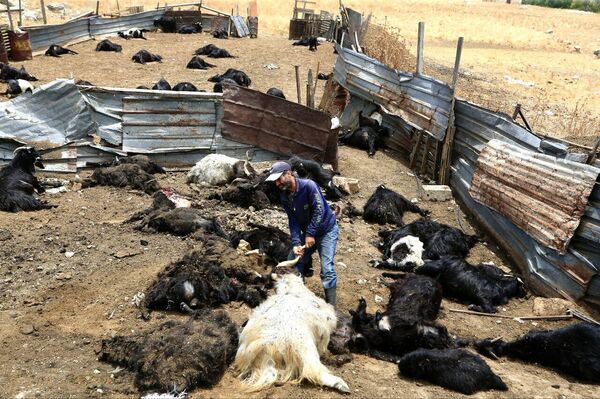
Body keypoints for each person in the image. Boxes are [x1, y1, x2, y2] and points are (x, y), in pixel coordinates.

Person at [266, 161, 339, 306]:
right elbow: (292, 220)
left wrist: (310, 233)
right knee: (293, 262)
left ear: (289, 173)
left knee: (327, 269)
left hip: (326, 231)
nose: (277, 184)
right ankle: (299, 297)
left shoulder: (308, 186)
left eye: (279, 179)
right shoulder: (285, 196)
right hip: (308, 233)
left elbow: (320, 211)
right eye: (275, 181)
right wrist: (295, 243)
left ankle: (332, 307)